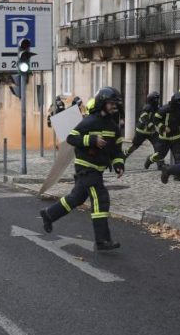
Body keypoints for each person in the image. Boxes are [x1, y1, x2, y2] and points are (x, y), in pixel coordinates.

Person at [39, 87, 125, 250]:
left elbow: (117, 149)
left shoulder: (113, 126)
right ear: (102, 103)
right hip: (86, 168)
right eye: (111, 103)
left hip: (97, 169)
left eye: (115, 104)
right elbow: (72, 137)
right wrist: (92, 140)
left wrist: (119, 163)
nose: (114, 106)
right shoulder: (90, 121)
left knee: (76, 198)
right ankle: (102, 240)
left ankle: (49, 214)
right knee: (100, 199)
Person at [144, 91, 180, 179]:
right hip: (165, 137)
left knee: (178, 157)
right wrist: (163, 127)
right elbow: (155, 119)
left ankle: (178, 175)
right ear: (176, 103)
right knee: (160, 155)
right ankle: (150, 159)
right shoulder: (164, 109)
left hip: (177, 137)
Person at [124, 91, 161, 159]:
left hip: (151, 132)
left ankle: (160, 163)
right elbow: (144, 117)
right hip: (141, 131)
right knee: (135, 146)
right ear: (151, 99)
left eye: (158, 99)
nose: (157, 100)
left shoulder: (156, 108)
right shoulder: (147, 107)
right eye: (156, 99)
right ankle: (124, 156)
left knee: (158, 146)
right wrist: (150, 125)